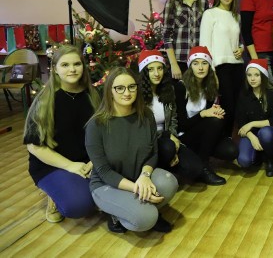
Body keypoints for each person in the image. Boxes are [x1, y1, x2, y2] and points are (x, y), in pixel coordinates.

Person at [85, 67, 179, 233]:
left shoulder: (146, 115)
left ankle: (142, 208)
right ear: (110, 91)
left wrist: (145, 176)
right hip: (107, 184)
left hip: (137, 176)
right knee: (146, 219)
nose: (126, 92)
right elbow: (104, 171)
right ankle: (116, 213)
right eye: (119, 88)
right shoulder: (96, 125)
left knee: (169, 182)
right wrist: (136, 187)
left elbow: (152, 153)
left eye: (131, 87)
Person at [23, 45, 100, 223]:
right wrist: (70, 166)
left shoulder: (94, 95)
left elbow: (105, 136)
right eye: (65, 65)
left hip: (88, 163)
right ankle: (54, 196)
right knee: (79, 206)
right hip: (53, 165)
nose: (72, 69)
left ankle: (76, 186)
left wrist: (94, 161)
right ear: (55, 69)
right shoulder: (44, 100)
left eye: (77, 64)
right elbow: (35, 146)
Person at [138, 50, 214, 184]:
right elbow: (140, 130)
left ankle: (169, 165)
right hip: (149, 143)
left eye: (160, 68)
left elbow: (173, 120)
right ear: (144, 71)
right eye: (151, 69)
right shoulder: (138, 97)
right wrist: (168, 137)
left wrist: (173, 139)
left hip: (169, 139)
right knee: (168, 147)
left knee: (195, 169)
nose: (157, 73)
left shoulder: (168, 90)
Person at [174, 46, 239, 186]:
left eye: (204, 63)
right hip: (184, 135)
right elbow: (181, 124)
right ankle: (204, 166)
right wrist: (204, 114)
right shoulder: (181, 87)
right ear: (190, 66)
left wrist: (217, 111)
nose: (200, 68)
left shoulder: (210, 86)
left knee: (231, 151)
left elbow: (210, 118)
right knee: (214, 121)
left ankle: (200, 154)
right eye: (196, 64)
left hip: (201, 133)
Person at [200, 0, 245, 136]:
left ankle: (232, 141)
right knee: (227, 106)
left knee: (238, 107)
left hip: (238, 66)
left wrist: (241, 49)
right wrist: (211, 72)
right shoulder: (210, 14)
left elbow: (239, 42)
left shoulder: (236, 16)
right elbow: (204, 45)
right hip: (220, 67)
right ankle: (223, 141)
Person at [235, 59, 273, 176]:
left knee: (265, 133)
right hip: (250, 133)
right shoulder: (244, 94)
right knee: (244, 161)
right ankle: (258, 155)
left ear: (263, 75)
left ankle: (272, 159)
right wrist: (251, 136)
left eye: (256, 75)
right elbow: (240, 121)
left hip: (269, 131)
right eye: (249, 75)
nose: (252, 79)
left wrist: (252, 124)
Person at [162, 0, 209, 79]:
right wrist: (173, 64)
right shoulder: (172, 3)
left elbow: (207, 33)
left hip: (199, 61)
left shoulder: (203, 3)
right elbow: (167, 35)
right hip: (179, 61)